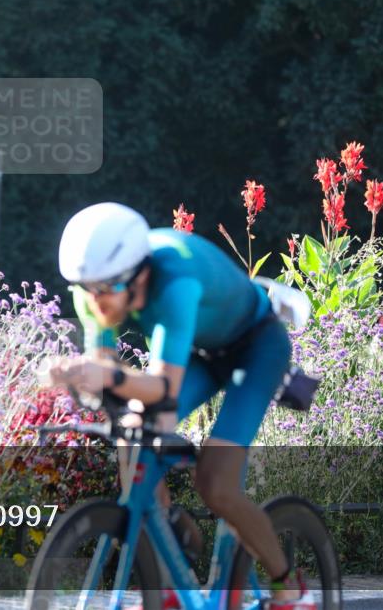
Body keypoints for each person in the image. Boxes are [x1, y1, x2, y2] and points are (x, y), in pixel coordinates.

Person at [50, 202, 315, 610]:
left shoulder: (175, 281)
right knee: (134, 438)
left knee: (216, 482)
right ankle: (171, 568)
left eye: (109, 290)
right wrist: (76, 376)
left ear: (139, 274)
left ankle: (289, 588)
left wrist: (110, 376)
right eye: (90, 290)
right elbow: (107, 378)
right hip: (203, 352)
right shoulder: (94, 291)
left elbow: (162, 387)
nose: (98, 303)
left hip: (256, 348)